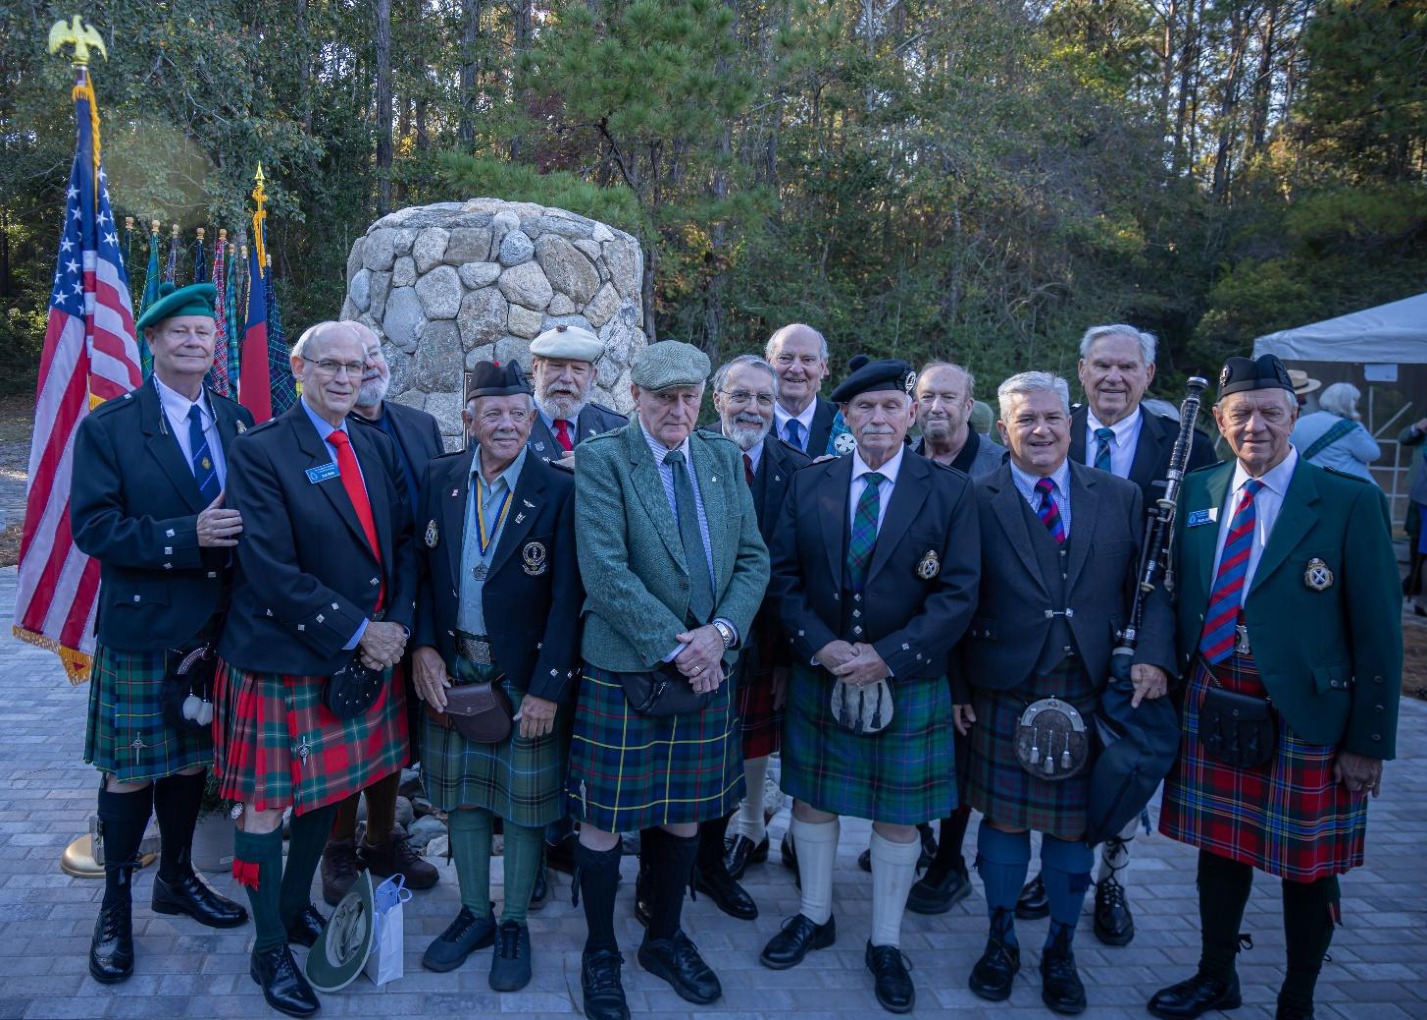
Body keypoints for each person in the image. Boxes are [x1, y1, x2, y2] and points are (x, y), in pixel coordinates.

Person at [1150, 354, 1402, 1020]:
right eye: (1241, 414)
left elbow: (1379, 631)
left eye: (1269, 412)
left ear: (1294, 415)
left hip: (1307, 710)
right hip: (1212, 690)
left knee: (1306, 868)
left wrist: (1367, 741)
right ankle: (1215, 976)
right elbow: (1170, 593)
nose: (1254, 426)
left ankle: (1297, 997)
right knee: (1219, 850)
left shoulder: (1348, 500)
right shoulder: (1198, 494)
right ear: (1220, 422)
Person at [763, 356, 980, 1014]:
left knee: (898, 814)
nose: (878, 418)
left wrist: (890, 656)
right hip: (819, 670)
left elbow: (959, 591)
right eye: (864, 408)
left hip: (906, 676)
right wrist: (819, 646)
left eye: (890, 407)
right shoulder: (811, 482)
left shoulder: (947, 491)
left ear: (911, 414)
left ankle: (885, 942)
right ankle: (815, 914)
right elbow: (782, 576)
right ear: (846, 417)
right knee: (811, 801)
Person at [215, 321, 416, 1018]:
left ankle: (295, 908)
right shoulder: (261, 449)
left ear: (369, 371)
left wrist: (397, 629)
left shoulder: (376, 444)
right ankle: (268, 945)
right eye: (327, 365)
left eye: (354, 366)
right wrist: (363, 632)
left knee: (326, 796)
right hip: (283, 655)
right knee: (266, 806)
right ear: (298, 367)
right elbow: (268, 569)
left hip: (363, 653)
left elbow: (405, 544)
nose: (341, 377)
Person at [958, 371, 1173, 1016]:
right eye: (1027, 420)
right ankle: (999, 940)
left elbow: (1151, 582)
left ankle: (1059, 947)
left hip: (1090, 683)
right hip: (1003, 681)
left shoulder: (1119, 495)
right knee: (1000, 820)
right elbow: (955, 599)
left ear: (1071, 424)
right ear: (1005, 428)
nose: (1042, 430)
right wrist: (958, 684)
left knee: (1073, 832)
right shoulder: (974, 495)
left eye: (1053, 418)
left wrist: (1155, 657)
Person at [565, 340, 769, 1020]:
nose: (677, 411)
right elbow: (604, 570)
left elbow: (751, 560)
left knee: (683, 813)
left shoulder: (720, 458)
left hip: (710, 663)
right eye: (663, 399)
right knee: (601, 822)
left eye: (688, 398)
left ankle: (664, 936)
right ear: (636, 397)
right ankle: (600, 950)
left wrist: (721, 635)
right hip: (627, 668)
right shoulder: (601, 459)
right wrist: (680, 647)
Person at [71, 281, 253, 984]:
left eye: (203, 332)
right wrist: (187, 535)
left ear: (215, 344)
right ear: (150, 342)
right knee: (129, 771)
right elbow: (93, 529)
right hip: (146, 629)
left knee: (188, 764)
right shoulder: (111, 426)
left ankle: (174, 879)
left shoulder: (236, 421)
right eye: (177, 331)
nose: (192, 342)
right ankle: (114, 905)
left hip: (217, 630)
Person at [1016, 324, 1217, 946]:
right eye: (1102, 365)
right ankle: (1051, 875)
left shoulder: (1188, 444)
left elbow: (1187, 562)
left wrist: (1156, 653)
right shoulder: (1047, 424)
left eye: (1127, 368)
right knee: (1052, 764)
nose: (1113, 378)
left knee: (1121, 768)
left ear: (1148, 375)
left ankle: (1113, 879)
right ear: (1080, 370)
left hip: (1139, 643)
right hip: (1055, 646)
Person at [410, 361, 581, 991]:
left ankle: (513, 921)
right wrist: (422, 646)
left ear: (531, 419)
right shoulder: (439, 479)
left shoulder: (559, 490)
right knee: (462, 796)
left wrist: (549, 687)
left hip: (524, 672)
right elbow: (420, 574)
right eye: (492, 413)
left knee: (527, 806)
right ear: (469, 420)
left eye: (516, 413)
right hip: (455, 666)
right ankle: (474, 912)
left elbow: (570, 597)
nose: (505, 423)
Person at [319, 322, 443, 906]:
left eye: (372, 355)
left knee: (391, 742)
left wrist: (404, 622)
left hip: (406, 605)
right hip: (344, 619)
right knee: (345, 736)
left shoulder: (419, 426)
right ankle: (338, 846)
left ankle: (381, 839)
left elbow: (421, 529)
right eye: (350, 359)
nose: (365, 368)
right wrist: (363, 628)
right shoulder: (319, 436)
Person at [695, 355, 811, 915]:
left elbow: (800, 571)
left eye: (764, 399)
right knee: (692, 755)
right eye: (741, 396)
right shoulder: (682, 455)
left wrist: (789, 657)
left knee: (741, 750)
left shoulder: (800, 469)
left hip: (763, 642)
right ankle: (681, 861)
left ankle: (717, 861)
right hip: (689, 641)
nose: (753, 409)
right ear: (718, 399)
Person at [902, 361, 1006, 915]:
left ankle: (950, 862)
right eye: (928, 396)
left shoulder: (999, 465)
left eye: (950, 396)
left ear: (971, 406)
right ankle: (912, 840)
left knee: (959, 755)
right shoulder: (903, 455)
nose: (937, 406)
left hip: (974, 636)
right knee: (910, 750)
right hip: (908, 634)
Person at [526, 324, 627, 466]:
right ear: (536, 368)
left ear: (593, 376)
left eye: (578, 369)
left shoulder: (616, 430)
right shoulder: (503, 426)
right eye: (556, 366)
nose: (567, 378)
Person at [767, 323, 838, 455]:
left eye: (807, 360)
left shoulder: (844, 424)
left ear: (823, 367)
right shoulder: (747, 421)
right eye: (785, 358)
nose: (796, 369)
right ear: (768, 363)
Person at [1291, 381, 1380, 484]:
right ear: (1350, 403)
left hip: (1312, 482)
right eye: (1356, 400)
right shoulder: (1349, 427)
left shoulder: (1300, 422)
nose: (1357, 404)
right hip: (1348, 485)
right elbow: (1372, 454)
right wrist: (1358, 423)